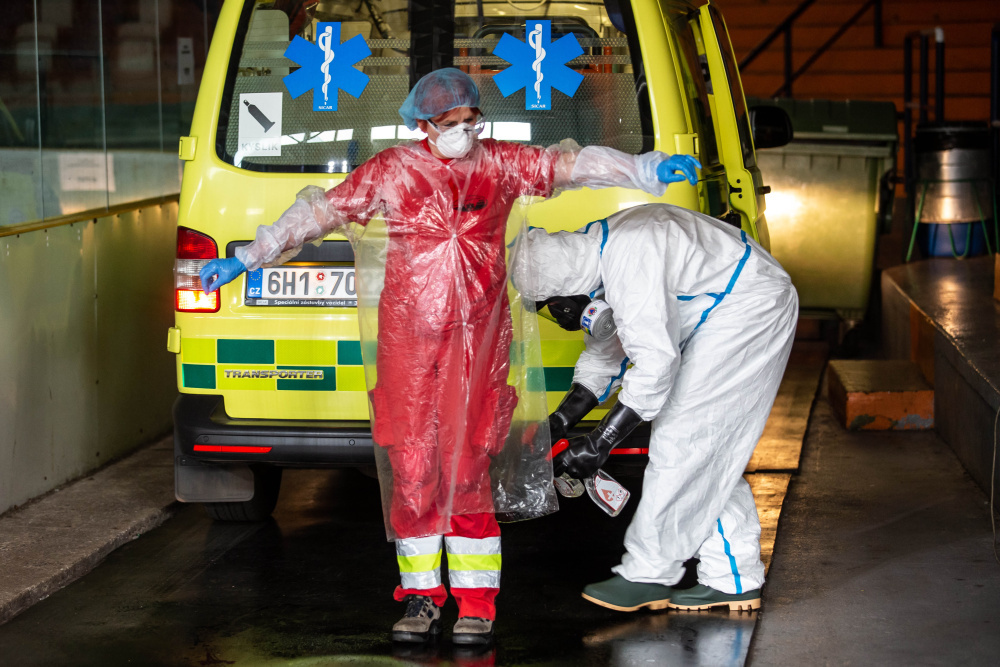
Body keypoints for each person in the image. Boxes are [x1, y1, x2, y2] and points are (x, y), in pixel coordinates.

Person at [199, 68, 701, 644]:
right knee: (412, 468)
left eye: (469, 120)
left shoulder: (499, 164)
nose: (463, 131)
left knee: (467, 470)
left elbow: (570, 166)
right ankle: (420, 598)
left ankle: (477, 605)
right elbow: (321, 212)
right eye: (449, 123)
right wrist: (252, 256)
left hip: (478, 346)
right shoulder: (393, 172)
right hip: (408, 346)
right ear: (422, 126)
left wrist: (643, 167)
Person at [514, 203, 798, 613]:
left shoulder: (627, 254)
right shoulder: (598, 251)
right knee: (708, 451)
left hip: (748, 312)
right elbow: (606, 356)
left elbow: (654, 363)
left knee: (684, 442)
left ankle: (647, 574)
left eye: (554, 306)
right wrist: (558, 423)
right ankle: (732, 576)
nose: (561, 317)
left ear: (564, 288)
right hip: (718, 312)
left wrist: (601, 441)